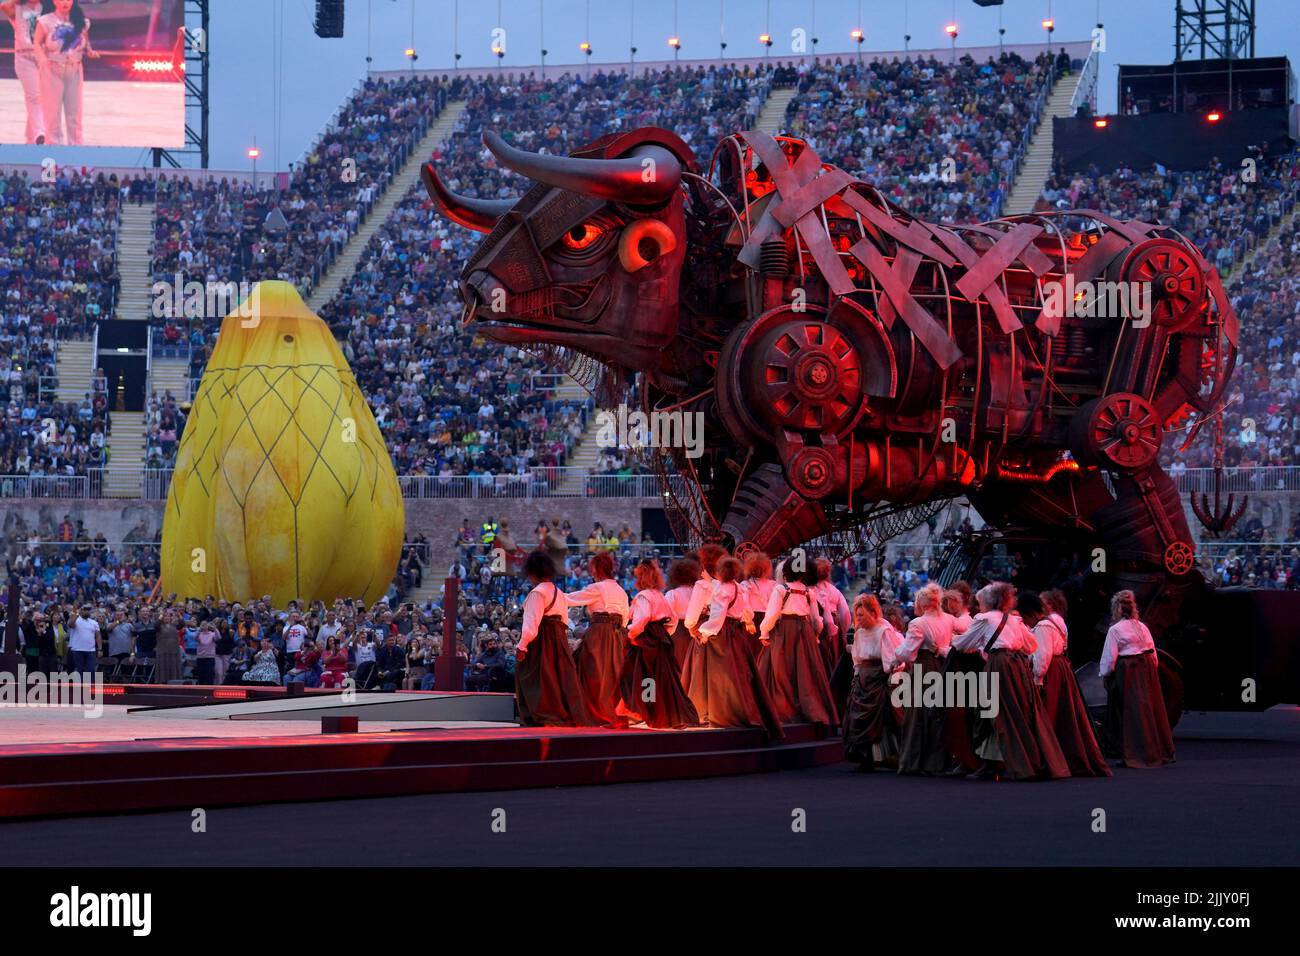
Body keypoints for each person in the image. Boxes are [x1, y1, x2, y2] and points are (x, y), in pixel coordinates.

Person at [952, 583, 1070, 781]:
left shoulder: (984, 619)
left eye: (980, 603)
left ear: (987, 602)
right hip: (1017, 668)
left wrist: (951, 640)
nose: (979, 606)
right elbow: (1031, 645)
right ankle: (1017, 761)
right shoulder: (1014, 620)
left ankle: (993, 764)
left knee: (990, 713)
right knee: (1016, 714)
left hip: (998, 666)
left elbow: (963, 644)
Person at [685, 555, 783, 737]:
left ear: (720, 571)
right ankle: (743, 709)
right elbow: (747, 610)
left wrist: (704, 632)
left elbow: (717, 616)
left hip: (722, 634)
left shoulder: (723, 590)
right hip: (737, 633)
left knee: (721, 675)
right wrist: (748, 622)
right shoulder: (738, 587)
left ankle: (723, 712)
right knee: (740, 672)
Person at [1022, 591, 1110, 776]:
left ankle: (1050, 761)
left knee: (1048, 716)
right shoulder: (1057, 621)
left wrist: (1037, 680)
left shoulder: (1043, 626)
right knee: (1065, 716)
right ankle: (1063, 758)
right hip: (1062, 668)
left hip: (1052, 672)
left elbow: (1043, 657)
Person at [515, 551, 593, 727]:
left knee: (539, 678)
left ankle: (544, 715)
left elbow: (531, 625)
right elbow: (564, 621)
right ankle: (563, 714)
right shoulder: (558, 592)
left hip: (541, 640)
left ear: (532, 572)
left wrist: (522, 646)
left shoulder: (537, 593)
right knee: (560, 676)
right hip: (559, 639)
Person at [758, 559, 838, 729]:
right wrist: (816, 635)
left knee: (782, 671)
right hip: (805, 632)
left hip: (784, 631)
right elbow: (816, 620)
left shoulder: (780, 589)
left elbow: (772, 615)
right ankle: (808, 711)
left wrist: (764, 632)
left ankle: (784, 711)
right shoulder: (809, 592)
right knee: (805, 674)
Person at [1099, 589, 1175, 768]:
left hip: (1129, 671)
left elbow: (1109, 658)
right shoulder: (1142, 627)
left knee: (1131, 712)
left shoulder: (1115, 629)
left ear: (1116, 609)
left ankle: (1136, 753)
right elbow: (1153, 653)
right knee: (1149, 709)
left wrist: (1106, 675)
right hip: (1146, 669)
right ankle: (1156, 750)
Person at [620, 559, 699, 729]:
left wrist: (631, 634)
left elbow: (642, 618)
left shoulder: (643, 596)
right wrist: (663, 634)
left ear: (640, 578)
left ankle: (652, 713)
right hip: (660, 638)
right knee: (663, 678)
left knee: (646, 677)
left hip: (645, 638)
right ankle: (667, 714)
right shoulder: (659, 595)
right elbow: (673, 619)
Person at [893, 583, 957, 775]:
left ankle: (914, 762)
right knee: (938, 713)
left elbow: (907, 653)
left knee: (918, 715)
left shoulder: (917, 623)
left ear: (921, 603)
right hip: (944, 667)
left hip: (925, 667)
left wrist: (895, 654)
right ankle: (938, 762)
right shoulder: (949, 620)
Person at [565, 550, 631, 727]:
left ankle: (597, 713)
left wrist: (550, 595)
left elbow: (571, 599)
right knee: (613, 675)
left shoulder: (597, 588)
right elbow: (625, 617)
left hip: (599, 634)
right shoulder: (620, 590)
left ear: (597, 569)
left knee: (593, 673)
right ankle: (612, 713)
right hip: (618, 635)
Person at [842, 594, 901, 770]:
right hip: (863, 678)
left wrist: (890, 676)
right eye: (857, 615)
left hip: (879, 677)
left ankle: (887, 756)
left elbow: (891, 656)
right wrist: (856, 676)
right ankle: (865, 757)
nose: (859, 618)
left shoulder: (884, 630)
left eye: (862, 615)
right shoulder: (859, 632)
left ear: (872, 612)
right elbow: (857, 657)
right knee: (857, 717)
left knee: (883, 718)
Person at [33, 0, 99, 146]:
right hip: (52, 70)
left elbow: (85, 43)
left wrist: (90, 51)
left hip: (74, 70)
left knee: (74, 115)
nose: (65, 2)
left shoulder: (81, 21)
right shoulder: (45, 21)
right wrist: (42, 60)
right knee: (52, 116)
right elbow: (37, 43)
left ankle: (76, 151)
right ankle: (54, 152)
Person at [2, 1, 48, 143]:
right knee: (33, 96)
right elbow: (3, 6)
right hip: (24, 57)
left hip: (43, 56)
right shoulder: (17, 8)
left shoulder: (46, 7)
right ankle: (40, 132)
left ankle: (30, 138)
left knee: (42, 97)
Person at [665, 555, 701, 671]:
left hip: (677, 630)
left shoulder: (673, 593)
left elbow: (667, 615)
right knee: (694, 665)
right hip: (697, 629)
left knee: (678, 665)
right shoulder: (697, 592)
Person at [67, 603, 99, 680]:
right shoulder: (76, 620)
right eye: (85, 609)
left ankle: (90, 686)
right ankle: (80, 687)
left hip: (91, 650)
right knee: (80, 670)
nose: (87, 611)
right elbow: (71, 624)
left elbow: (98, 636)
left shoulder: (94, 622)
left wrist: (100, 648)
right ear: (81, 610)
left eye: (88, 610)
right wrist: (76, 614)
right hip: (77, 649)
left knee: (91, 670)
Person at [155, 608, 182, 683]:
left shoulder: (174, 625)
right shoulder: (159, 626)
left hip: (174, 651)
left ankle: (174, 683)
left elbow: (182, 624)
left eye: (168, 616)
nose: (167, 617)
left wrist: (179, 615)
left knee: (173, 667)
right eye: (165, 616)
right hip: (162, 651)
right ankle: (162, 683)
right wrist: (160, 616)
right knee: (163, 667)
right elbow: (156, 625)